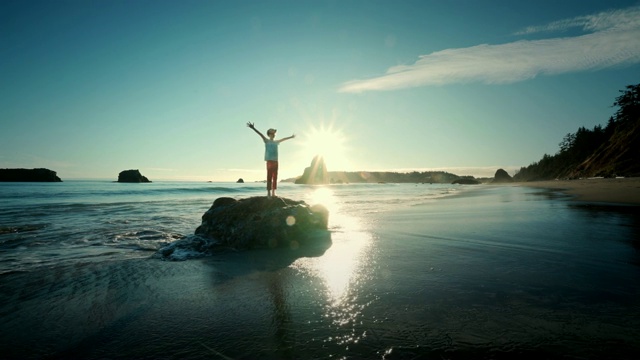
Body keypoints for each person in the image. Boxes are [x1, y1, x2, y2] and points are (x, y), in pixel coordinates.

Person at [247, 122, 295, 197]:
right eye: (272, 133)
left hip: (276, 161)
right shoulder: (266, 141)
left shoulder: (276, 142)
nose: (274, 134)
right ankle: (268, 193)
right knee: (269, 176)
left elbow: (284, 139)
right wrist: (253, 128)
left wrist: (291, 137)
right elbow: (260, 134)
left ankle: (273, 192)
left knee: (275, 177)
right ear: (269, 134)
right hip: (269, 161)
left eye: (274, 133)